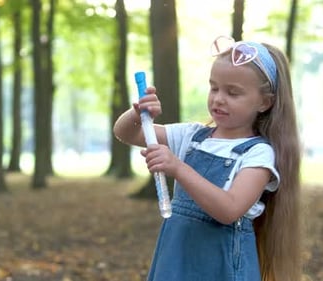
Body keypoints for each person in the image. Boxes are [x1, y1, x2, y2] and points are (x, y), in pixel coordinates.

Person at [113, 35, 301, 281]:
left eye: (233, 93)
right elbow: (126, 132)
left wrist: (179, 168)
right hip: (177, 258)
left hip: (221, 266)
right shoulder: (192, 136)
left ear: (265, 102)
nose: (218, 98)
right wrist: (138, 113)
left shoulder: (258, 153)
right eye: (214, 87)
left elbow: (230, 209)